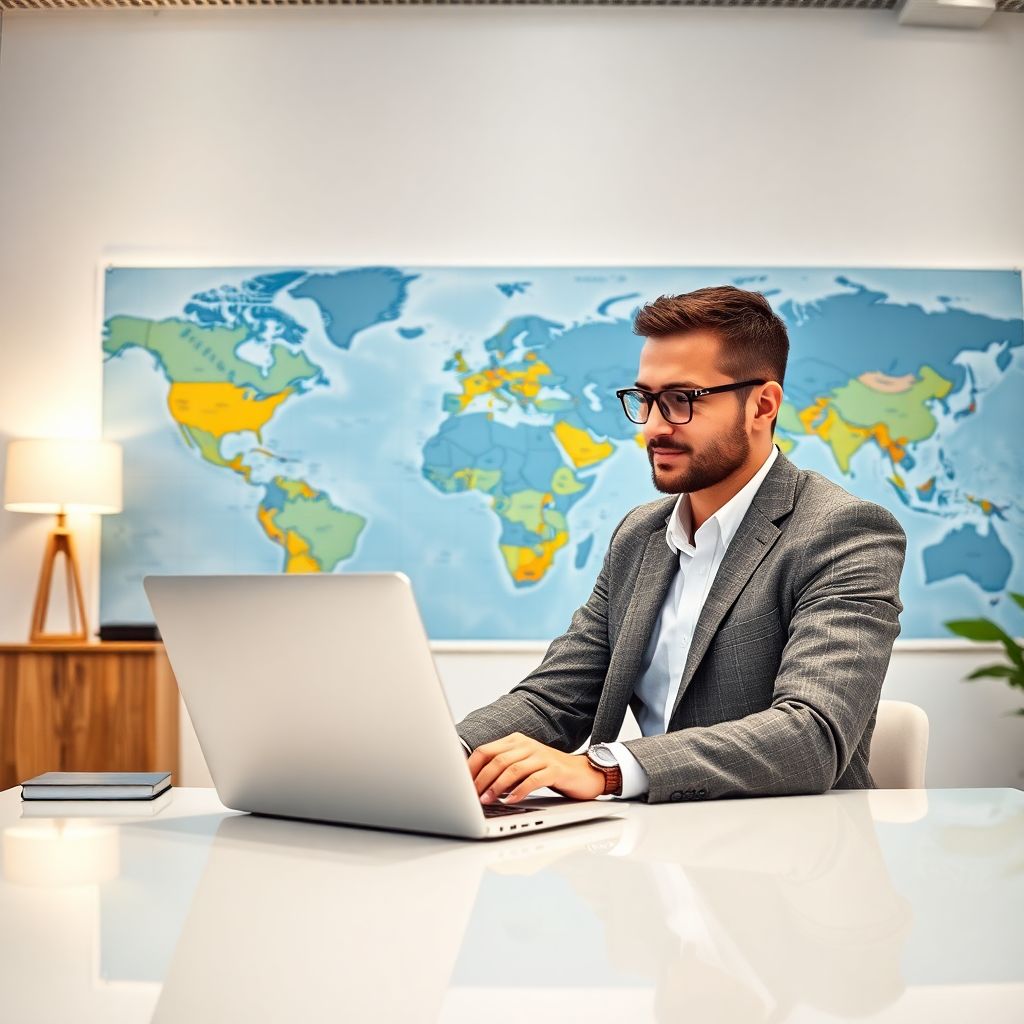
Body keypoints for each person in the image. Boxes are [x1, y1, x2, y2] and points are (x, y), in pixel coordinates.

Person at [458, 285, 906, 805]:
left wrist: (604, 770)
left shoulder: (845, 531)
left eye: (681, 401)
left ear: (762, 405)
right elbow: (553, 700)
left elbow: (811, 736)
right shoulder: (639, 536)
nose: (652, 427)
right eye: (644, 399)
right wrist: (445, 753)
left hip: (788, 859)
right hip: (654, 847)